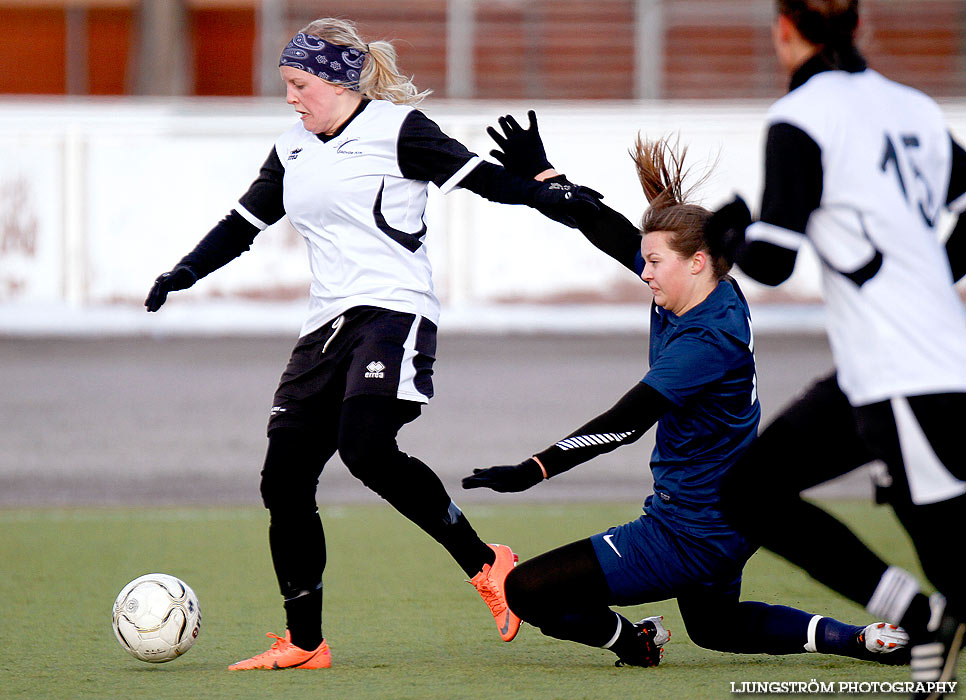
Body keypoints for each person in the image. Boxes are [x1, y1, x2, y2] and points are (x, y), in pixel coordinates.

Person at [144, 18, 599, 671]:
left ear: (337, 78)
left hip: (394, 312)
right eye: (287, 87)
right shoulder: (292, 147)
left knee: (365, 446)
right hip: (324, 328)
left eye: (300, 84)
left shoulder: (398, 131)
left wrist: (560, 196)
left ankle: (485, 563)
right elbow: (243, 223)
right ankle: (305, 642)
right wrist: (183, 271)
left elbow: (488, 181)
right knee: (283, 482)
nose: (293, 98)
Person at [462, 112, 909, 668]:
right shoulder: (710, 290)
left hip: (687, 529)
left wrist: (533, 468)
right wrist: (546, 178)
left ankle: (634, 642)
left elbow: (625, 423)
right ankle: (859, 639)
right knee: (715, 625)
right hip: (731, 513)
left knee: (526, 591)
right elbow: (605, 227)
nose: (643, 273)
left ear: (696, 261)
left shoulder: (705, 340)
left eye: (653, 263)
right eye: (645, 261)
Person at [703, 2, 966, 697]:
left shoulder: (802, 118)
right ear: (859, 25)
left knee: (955, 561)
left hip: (908, 372)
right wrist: (935, 275)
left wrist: (726, 235)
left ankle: (932, 616)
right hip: (884, 371)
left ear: (784, 29)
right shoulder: (910, 107)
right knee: (750, 490)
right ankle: (924, 618)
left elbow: (774, 261)